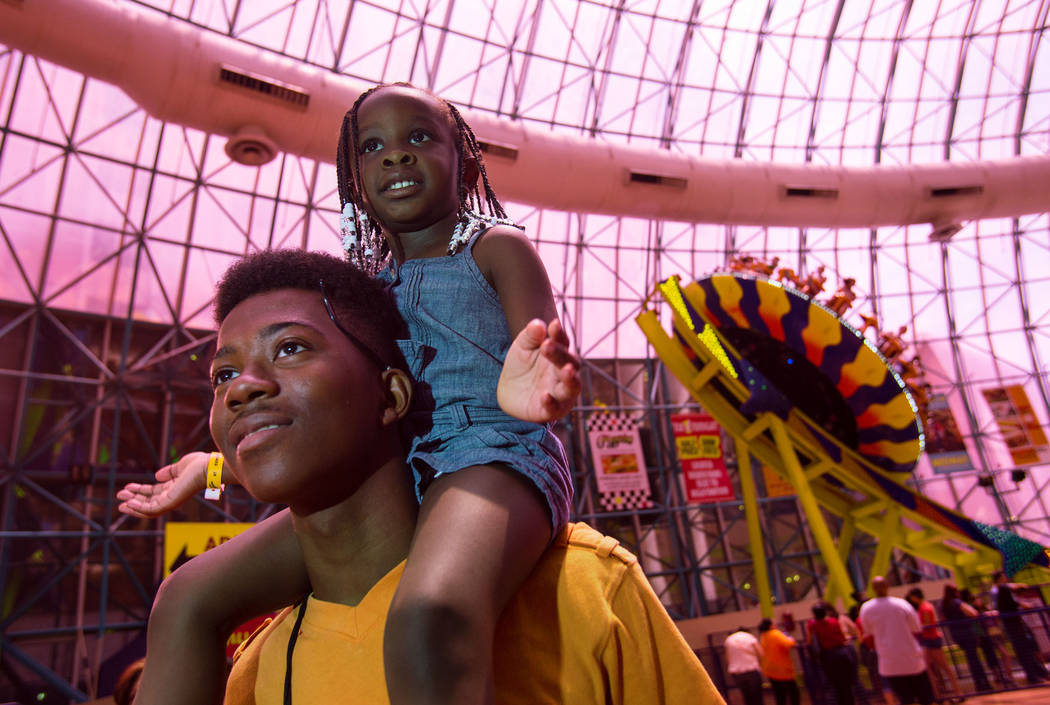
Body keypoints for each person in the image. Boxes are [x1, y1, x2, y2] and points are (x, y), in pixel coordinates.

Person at [119, 83, 582, 705]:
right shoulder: (365, 288)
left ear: (465, 164)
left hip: (493, 452)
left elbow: (540, 341)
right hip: (400, 466)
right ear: (355, 177)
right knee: (186, 596)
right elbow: (325, 424)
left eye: (419, 138)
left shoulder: (497, 247)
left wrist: (536, 385)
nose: (395, 156)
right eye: (372, 147)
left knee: (429, 614)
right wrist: (208, 473)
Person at [153, 249, 723, 704]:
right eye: (221, 374)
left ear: (393, 394)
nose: (239, 387)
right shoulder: (257, 671)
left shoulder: (586, 590)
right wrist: (208, 473)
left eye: (291, 348)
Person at [858, 577, 935, 705]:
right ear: (887, 586)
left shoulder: (866, 608)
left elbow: (868, 631)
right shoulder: (902, 604)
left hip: (889, 662)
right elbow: (916, 628)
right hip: (911, 658)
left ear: (872, 589)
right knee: (925, 697)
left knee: (905, 698)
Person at [905, 587, 963, 702]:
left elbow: (926, 623)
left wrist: (914, 627)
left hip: (932, 639)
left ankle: (957, 693)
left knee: (944, 667)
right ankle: (937, 695)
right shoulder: (923, 607)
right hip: (928, 640)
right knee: (929, 669)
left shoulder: (925, 607)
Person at [992, 570, 1048, 684]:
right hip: (1013, 625)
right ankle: (1033, 676)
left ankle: (1038, 673)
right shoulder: (1001, 589)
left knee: (1026, 650)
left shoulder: (1001, 590)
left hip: (1014, 625)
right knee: (1024, 651)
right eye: (1003, 576)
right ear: (1000, 578)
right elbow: (1015, 596)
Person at [940, 584, 991, 692]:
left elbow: (943, 619)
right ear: (954, 592)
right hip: (967, 632)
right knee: (974, 659)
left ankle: (979, 683)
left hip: (956, 634)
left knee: (970, 658)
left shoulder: (944, 605)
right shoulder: (957, 602)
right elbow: (973, 613)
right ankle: (982, 683)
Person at [805, 602, 858, 705]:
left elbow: (809, 641)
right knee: (847, 686)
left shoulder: (812, 625)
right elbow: (842, 637)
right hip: (842, 654)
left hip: (828, 657)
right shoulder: (834, 621)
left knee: (835, 686)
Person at [759, 617, 799, 705]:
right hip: (782, 669)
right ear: (770, 625)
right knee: (794, 693)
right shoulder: (775, 633)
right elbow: (788, 644)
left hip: (770, 669)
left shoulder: (763, 635)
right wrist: (791, 639)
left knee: (780, 695)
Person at [725, 626, 764, 705]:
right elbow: (760, 653)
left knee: (747, 697)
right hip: (752, 671)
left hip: (737, 673)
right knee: (757, 697)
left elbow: (728, 658)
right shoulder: (749, 637)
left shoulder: (729, 639)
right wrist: (760, 665)